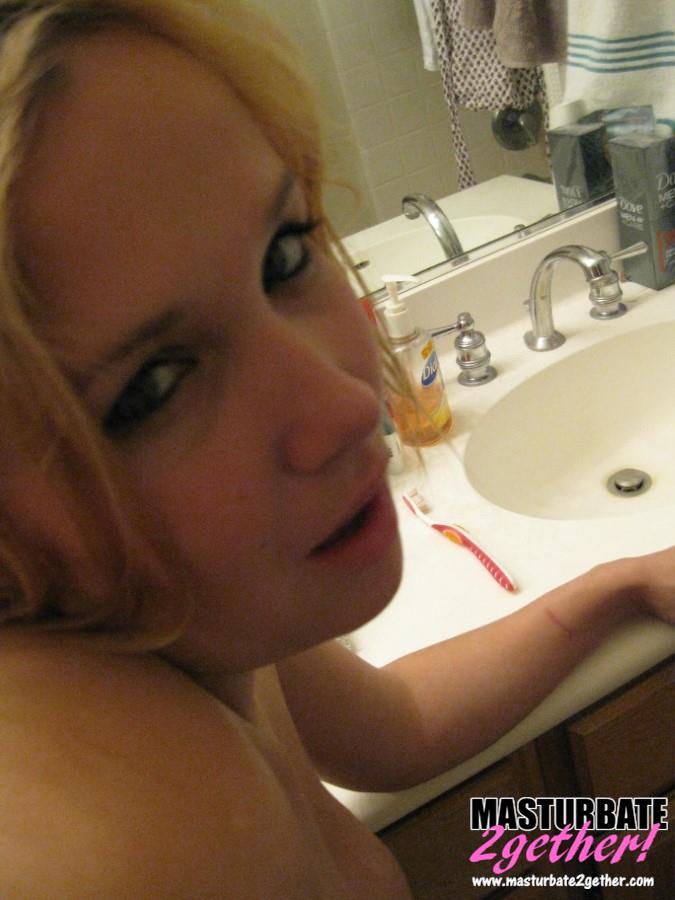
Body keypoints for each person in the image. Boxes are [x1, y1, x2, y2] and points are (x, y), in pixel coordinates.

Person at [0, 1, 672, 896]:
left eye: (282, 257)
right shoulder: (137, 848)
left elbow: (395, 729)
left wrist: (615, 586)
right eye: (151, 388)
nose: (349, 406)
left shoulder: (194, 623)